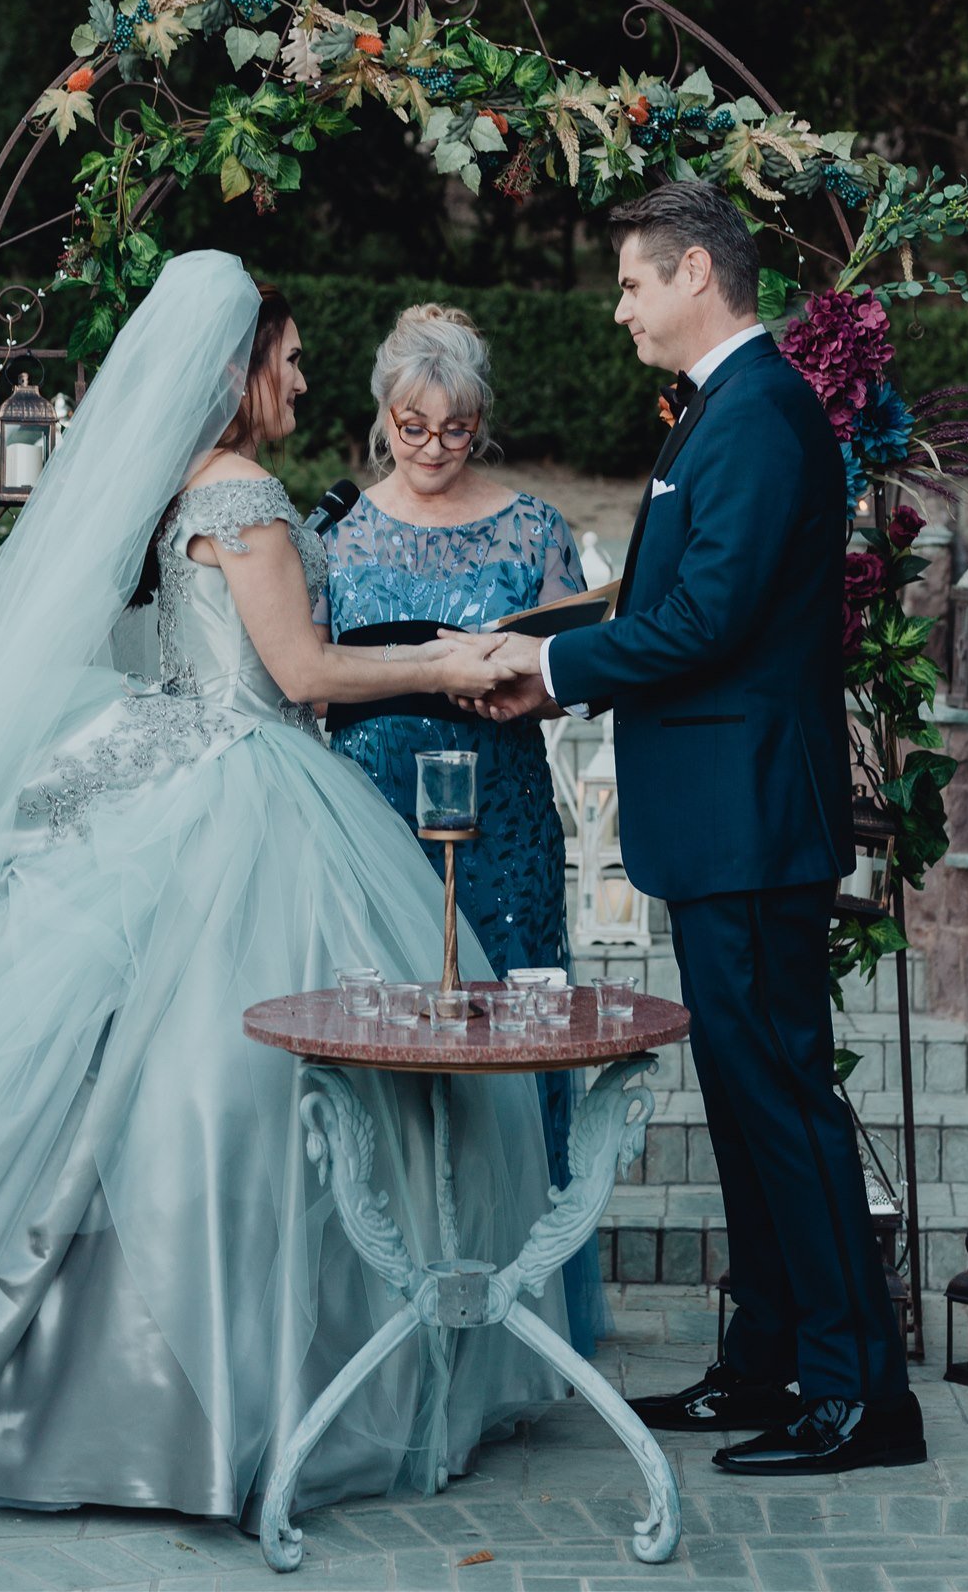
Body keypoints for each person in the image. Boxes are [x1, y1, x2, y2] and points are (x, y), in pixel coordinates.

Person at [0, 255, 568, 1567]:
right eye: (294, 358)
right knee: (256, 1093)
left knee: (134, 1099)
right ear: (243, 368)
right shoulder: (242, 490)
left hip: (210, 764)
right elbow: (301, 669)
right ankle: (236, 1401)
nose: (307, 380)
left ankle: (148, 1390)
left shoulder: (190, 488)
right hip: (246, 786)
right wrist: (458, 655)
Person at [472, 182, 924, 1477]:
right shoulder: (722, 413)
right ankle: (767, 1360)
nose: (618, 309)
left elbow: (708, 622)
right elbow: (658, 599)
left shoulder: (762, 416)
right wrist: (550, 642)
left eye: (629, 283)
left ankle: (859, 1396)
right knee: (744, 1100)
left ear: (692, 278)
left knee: (780, 1099)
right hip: (718, 819)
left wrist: (552, 675)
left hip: (750, 817)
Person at [317, 302, 606, 1354]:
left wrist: (529, 682)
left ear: (479, 421)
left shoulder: (531, 525)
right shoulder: (335, 528)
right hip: (373, 810)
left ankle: (520, 1305)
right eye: (410, 424)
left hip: (505, 813)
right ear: (383, 414)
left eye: (453, 428)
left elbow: (582, 667)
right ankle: (393, 1293)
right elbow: (305, 674)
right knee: (387, 1024)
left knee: (513, 1026)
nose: (432, 448)